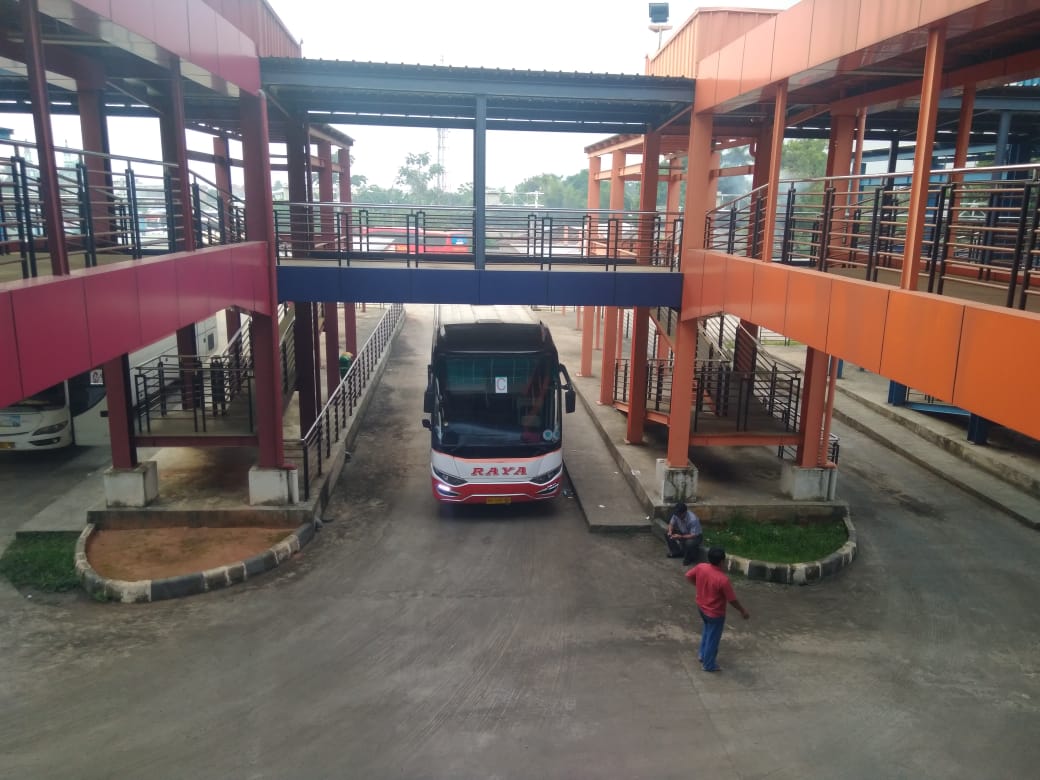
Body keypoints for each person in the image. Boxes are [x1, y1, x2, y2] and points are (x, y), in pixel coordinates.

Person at [685, 547, 750, 672]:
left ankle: (702, 655)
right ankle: (708, 664)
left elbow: (688, 576)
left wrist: (698, 586)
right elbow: (732, 600)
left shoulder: (701, 567)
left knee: (707, 631)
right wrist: (743, 610)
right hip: (715, 613)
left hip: (701, 607)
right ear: (722, 562)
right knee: (713, 639)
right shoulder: (722, 580)